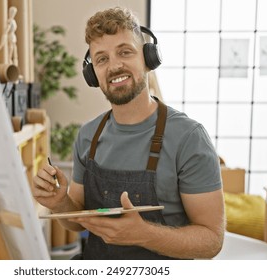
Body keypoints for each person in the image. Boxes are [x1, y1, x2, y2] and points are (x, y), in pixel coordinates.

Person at [32, 7, 225, 260]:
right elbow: (78, 222)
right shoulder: (88, 136)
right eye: (101, 59)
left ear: (148, 58)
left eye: (125, 52)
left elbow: (212, 241)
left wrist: (144, 234)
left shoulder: (189, 138)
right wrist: (60, 204)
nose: (114, 66)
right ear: (93, 74)